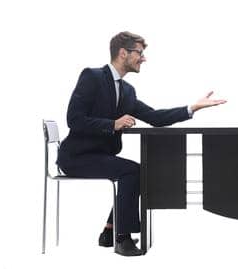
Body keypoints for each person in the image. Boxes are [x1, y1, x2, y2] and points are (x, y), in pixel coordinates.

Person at [58, 31, 226, 257]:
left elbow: (155, 118)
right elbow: (74, 119)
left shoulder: (127, 91)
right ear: (123, 53)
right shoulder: (92, 76)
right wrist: (112, 124)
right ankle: (122, 238)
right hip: (76, 157)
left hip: (99, 156)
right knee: (133, 172)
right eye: (140, 53)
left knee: (135, 172)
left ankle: (109, 231)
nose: (143, 58)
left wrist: (192, 108)